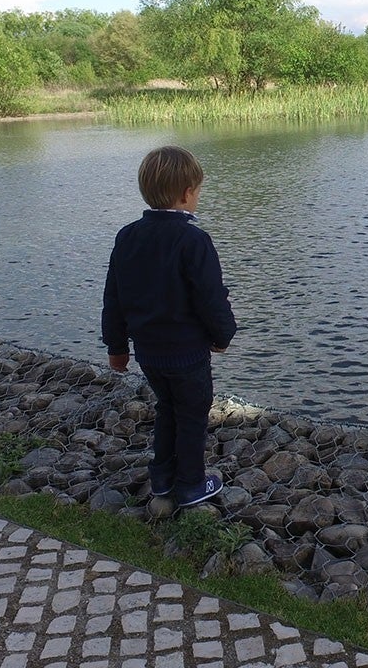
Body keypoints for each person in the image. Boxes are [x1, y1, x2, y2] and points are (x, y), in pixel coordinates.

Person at [102, 145, 237, 508]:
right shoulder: (193, 239)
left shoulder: (127, 236)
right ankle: (192, 485)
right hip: (187, 352)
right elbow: (211, 296)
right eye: (197, 192)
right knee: (192, 415)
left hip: (149, 353)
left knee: (167, 409)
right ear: (186, 194)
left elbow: (113, 296)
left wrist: (116, 348)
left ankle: (162, 480)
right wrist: (223, 335)